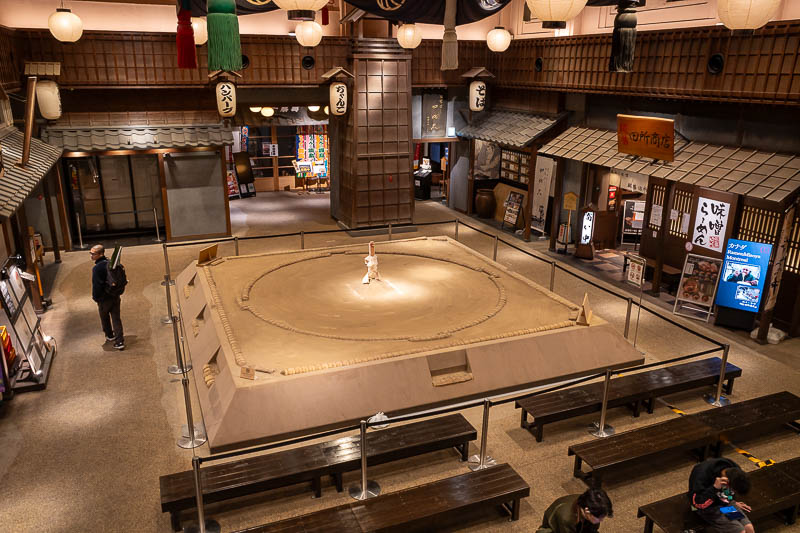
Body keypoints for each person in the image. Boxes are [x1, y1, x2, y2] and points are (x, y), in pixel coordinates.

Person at [688, 457, 753, 533]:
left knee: (748, 528)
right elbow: (697, 503)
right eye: (733, 490)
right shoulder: (702, 473)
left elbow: (731, 493)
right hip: (706, 507)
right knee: (739, 530)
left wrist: (733, 501)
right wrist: (714, 488)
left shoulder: (734, 469)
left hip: (724, 504)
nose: (733, 492)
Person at [90, 244, 124, 350]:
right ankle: (119, 341)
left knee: (104, 316)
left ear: (101, 254)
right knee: (116, 318)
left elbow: (97, 285)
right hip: (115, 295)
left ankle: (109, 335)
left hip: (104, 298)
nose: (91, 256)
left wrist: (96, 297)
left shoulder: (97, 268)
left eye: (93, 254)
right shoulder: (111, 263)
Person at [537, 488, 613, 533]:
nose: (602, 520)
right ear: (587, 511)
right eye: (600, 518)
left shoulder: (591, 505)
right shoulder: (566, 519)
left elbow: (592, 530)